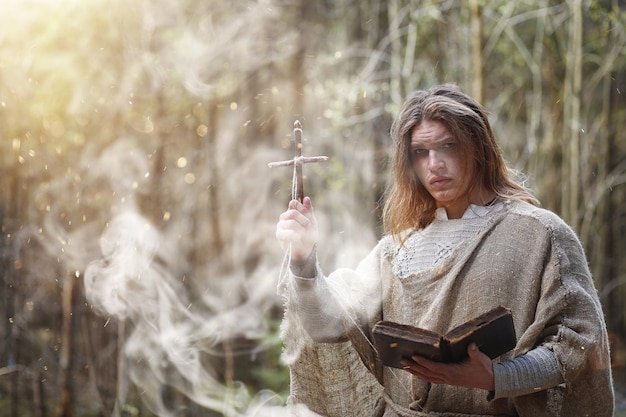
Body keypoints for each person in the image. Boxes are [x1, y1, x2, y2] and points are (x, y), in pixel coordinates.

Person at [276, 84, 614, 416]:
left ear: (478, 147)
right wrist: (304, 261)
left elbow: (579, 344)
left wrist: (498, 377)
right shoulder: (395, 249)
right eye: (420, 152)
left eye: (448, 146)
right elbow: (329, 325)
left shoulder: (542, 233)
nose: (434, 164)